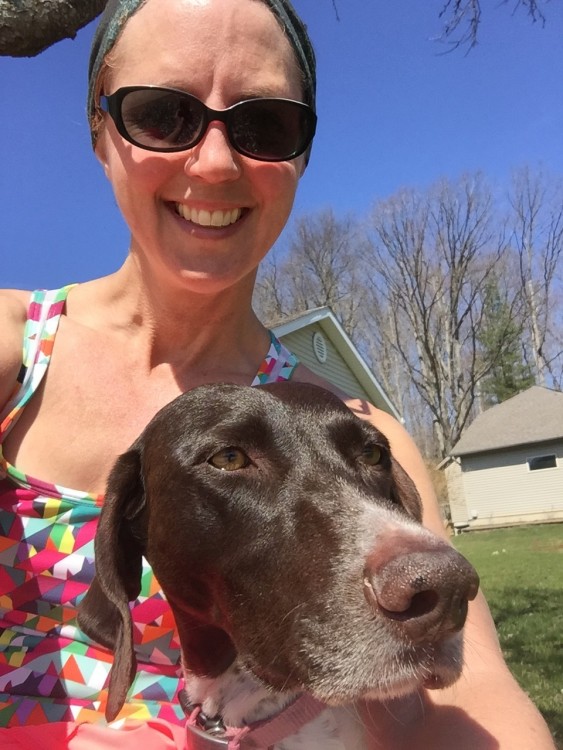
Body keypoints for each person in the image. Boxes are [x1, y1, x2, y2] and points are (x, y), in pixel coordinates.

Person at [0, 0, 555, 748]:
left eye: (265, 126)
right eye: (164, 115)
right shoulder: (12, 350)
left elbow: (479, 706)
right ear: (101, 131)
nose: (217, 162)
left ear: (299, 156)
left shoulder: (361, 430)